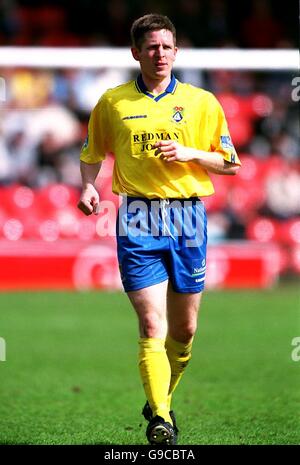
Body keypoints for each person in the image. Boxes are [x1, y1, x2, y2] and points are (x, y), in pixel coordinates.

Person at [77, 13, 241, 445]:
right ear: (136, 53)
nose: (160, 54)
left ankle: (158, 398)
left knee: (184, 333)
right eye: (151, 47)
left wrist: (189, 152)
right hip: (137, 219)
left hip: (188, 219)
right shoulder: (113, 103)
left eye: (167, 46)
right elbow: (93, 151)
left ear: (176, 51)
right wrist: (88, 186)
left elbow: (229, 164)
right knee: (153, 326)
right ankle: (162, 422)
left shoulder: (202, 102)